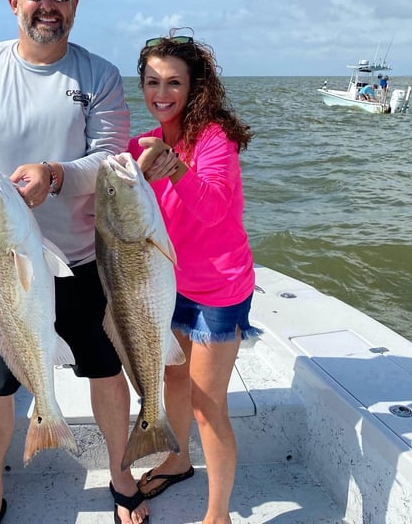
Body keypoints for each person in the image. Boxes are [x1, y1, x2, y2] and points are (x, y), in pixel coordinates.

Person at [0, 0, 149, 524]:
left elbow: (110, 161)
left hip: (80, 257)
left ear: (74, 5)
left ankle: (120, 471)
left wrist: (55, 176)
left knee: (106, 368)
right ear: (13, 1)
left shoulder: (97, 74)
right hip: (1, 262)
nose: (47, 5)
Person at [127, 30, 261, 524]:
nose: (161, 94)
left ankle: (218, 514)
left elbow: (212, 208)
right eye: (152, 82)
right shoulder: (143, 143)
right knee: (172, 379)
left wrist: (175, 170)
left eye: (173, 83)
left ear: (194, 87)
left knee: (208, 405)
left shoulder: (213, 139)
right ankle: (179, 460)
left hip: (220, 290)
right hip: (172, 286)